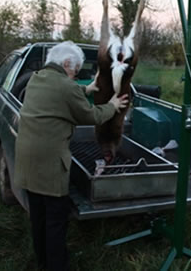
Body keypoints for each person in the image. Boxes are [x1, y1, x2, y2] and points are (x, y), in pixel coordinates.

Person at [14, 41, 128, 271]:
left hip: (27, 161)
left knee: (38, 217)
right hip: (49, 165)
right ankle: (57, 266)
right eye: (75, 71)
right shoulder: (66, 87)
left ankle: (42, 262)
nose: (75, 77)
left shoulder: (37, 78)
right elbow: (91, 116)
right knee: (56, 221)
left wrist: (87, 89)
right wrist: (113, 105)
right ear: (66, 63)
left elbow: (61, 93)